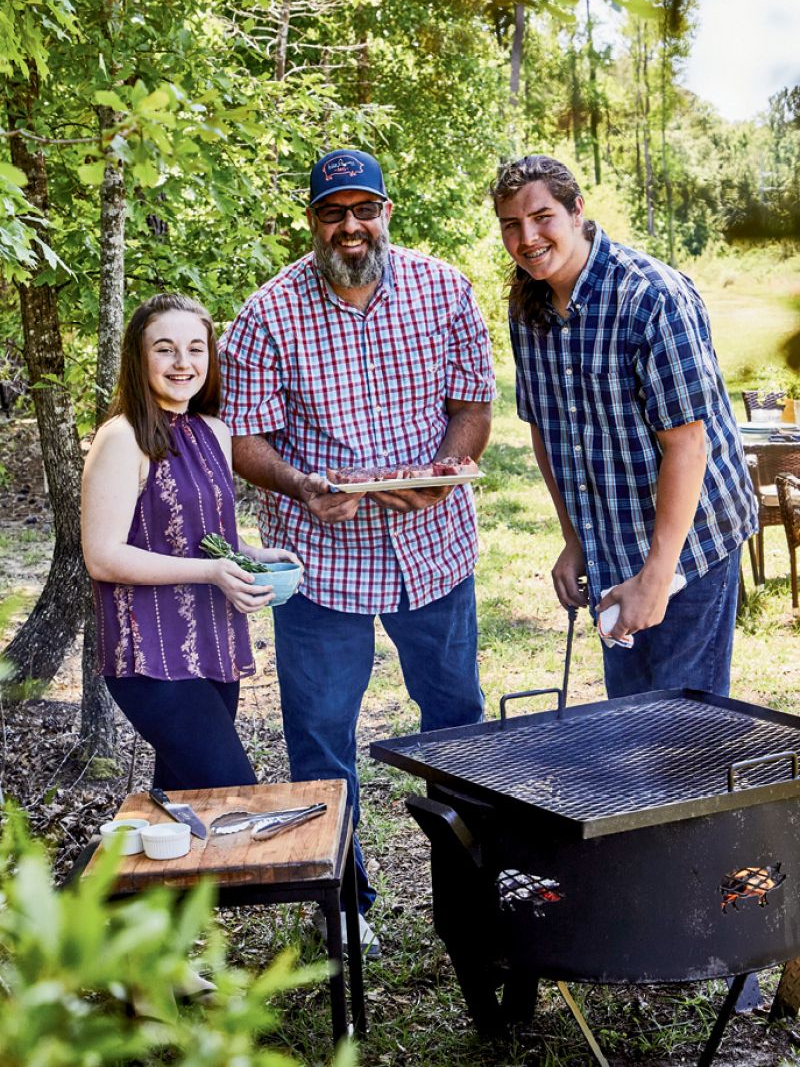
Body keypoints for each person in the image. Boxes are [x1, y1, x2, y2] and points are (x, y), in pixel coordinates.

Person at [219, 148, 495, 952]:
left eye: (362, 209)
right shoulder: (268, 311)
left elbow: (471, 406)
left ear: (385, 212)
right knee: (319, 733)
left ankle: (472, 888)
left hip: (432, 545)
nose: (350, 227)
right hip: (321, 557)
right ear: (311, 222)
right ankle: (345, 901)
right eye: (333, 212)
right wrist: (302, 484)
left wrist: (446, 470)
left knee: (457, 721)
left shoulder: (444, 288)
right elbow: (246, 440)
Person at [490, 154, 757, 699]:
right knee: (631, 720)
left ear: (576, 212)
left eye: (542, 217)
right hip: (611, 542)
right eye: (512, 225)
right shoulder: (527, 310)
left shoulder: (651, 298)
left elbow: (688, 443)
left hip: (691, 546)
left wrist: (657, 578)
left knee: (685, 732)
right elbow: (546, 430)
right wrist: (574, 539)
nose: (528, 237)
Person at [82, 293, 301, 791]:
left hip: (213, 640)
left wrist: (249, 555)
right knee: (233, 794)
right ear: (138, 359)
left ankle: (133, 873)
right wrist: (211, 572)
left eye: (196, 348)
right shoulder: (122, 437)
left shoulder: (214, 431)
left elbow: (201, 538)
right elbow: (103, 555)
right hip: (149, 655)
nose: (183, 363)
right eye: (165, 349)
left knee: (186, 806)